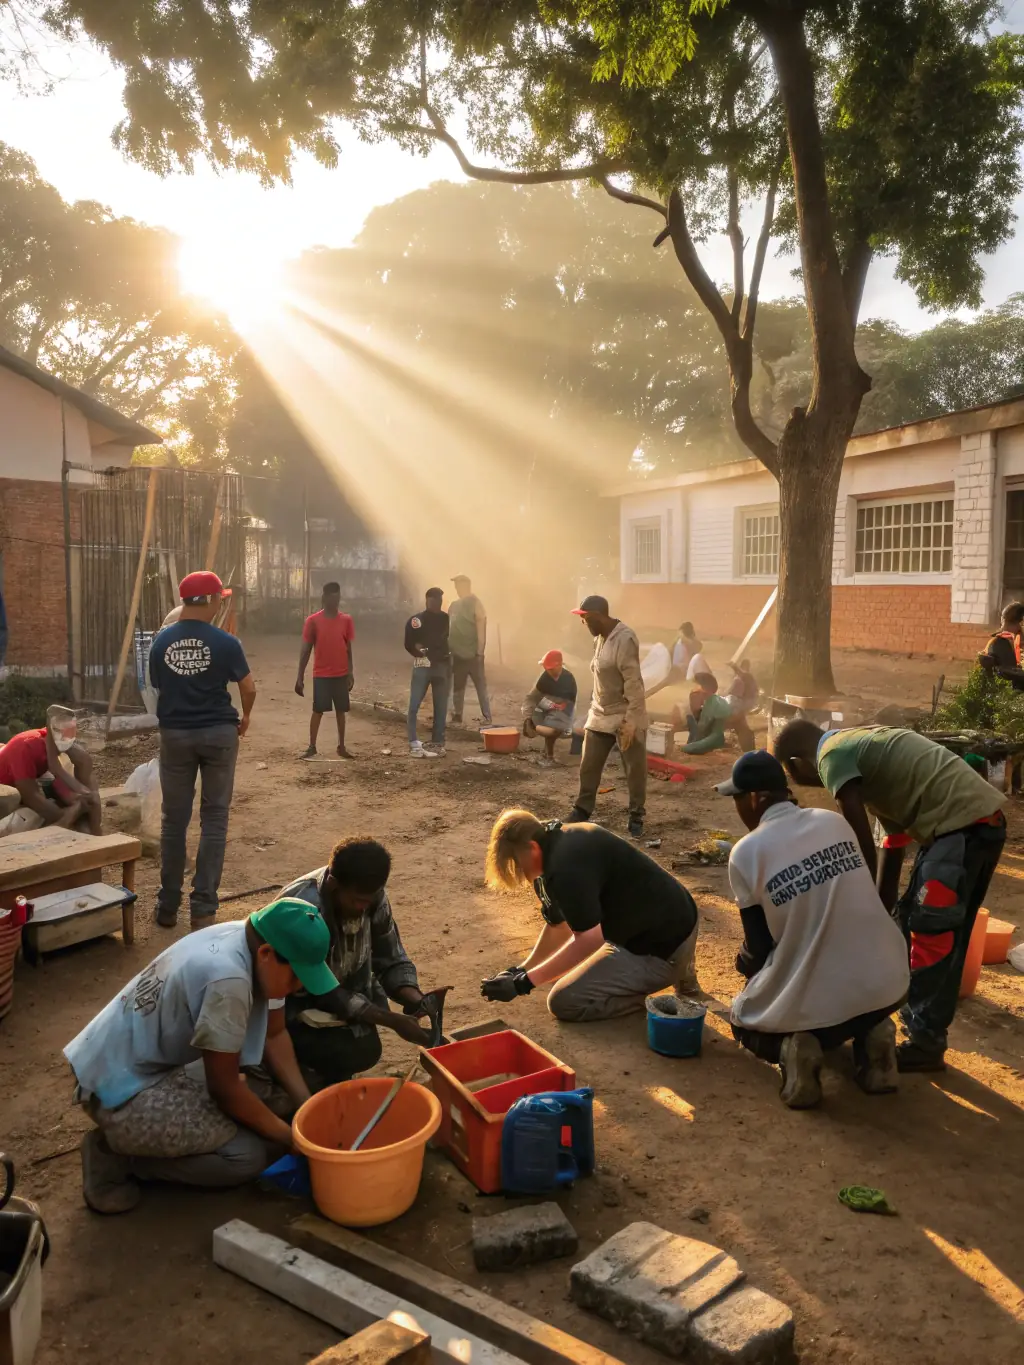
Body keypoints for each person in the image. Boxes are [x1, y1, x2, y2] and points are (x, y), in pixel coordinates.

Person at [64, 897, 338, 1213]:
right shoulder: (229, 980)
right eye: (296, 977)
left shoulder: (253, 940)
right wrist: (295, 1139)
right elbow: (225, 1089)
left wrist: (307, 1110)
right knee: (245, 1157)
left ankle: (153, 1141)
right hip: (120, 1090)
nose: (299, 986)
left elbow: (274, 1036)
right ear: (266, 955)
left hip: (137, 1062)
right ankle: (118, 1158)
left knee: (272, 1103)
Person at [774, 721, 1006, 1073]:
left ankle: (925, 1042)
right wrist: (876, 915)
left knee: (930, 935)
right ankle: (921, 1031)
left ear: (797, 761)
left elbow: (858, 841)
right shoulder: (865, 755)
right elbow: (890, 850)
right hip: (978, 826)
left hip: (958, 830)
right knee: (924, 925)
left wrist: (852, 901)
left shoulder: (832, 755)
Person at [717, 751, 909, 1108]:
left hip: (827, 1009)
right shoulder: (832, 821)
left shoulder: (746, 853)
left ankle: (793, 1048)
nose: (738, 808)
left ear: (756, 799)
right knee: (849, 990)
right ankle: (874, 1037)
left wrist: (745, 969)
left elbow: (758, 948)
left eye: (738, 799)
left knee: (743, 1020)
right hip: (889, 986)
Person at [481, 809, 699, 1019]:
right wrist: (520, 970)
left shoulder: (565, 870)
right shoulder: (558, 837)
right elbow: (560, 925)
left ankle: (658, 1002)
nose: (519, 871)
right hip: (677, 918)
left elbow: (588, 940)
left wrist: (524, 984)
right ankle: (683, 972)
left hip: (660, 950)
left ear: (532, 848)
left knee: (564, 1001)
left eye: (516, 862)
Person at [279, 837, 442, 1084]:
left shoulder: (371, 896)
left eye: (369, 899)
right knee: (356, 1050)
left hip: (348, 987)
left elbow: (390, 956)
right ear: (334, 885)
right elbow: (323, 991)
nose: (364, 907)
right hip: (295, 1006)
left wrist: (416, 999)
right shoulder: (304, 910)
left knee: (361, 1044)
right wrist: (392, 1020)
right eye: (356, 900)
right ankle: (299, 1073)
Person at [149, 570, 256, 931]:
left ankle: (167, 906)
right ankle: (203, 909)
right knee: (214, 818)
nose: (220, 605)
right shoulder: (226, 643)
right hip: (217, 735)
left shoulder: (161, 642)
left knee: (173, 820)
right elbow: (249, 687)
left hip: (176, 735)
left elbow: (157, 684)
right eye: (219, 599)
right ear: (209, 600)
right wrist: (245, 718)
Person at [567, 595, 648, 838]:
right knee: (588, 765)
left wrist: (631, 721)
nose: (585, 625)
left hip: (624, 712)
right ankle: (582, 809)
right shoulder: (599, 639)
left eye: (587, 619)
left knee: (634, 768)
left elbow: (634, 683)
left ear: (600, 617)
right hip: (600, 712)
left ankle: (636, 815)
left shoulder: (625, 639)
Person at [0, 705, 101, 836]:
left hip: (35, 773)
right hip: (7, 783)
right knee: (28, 815)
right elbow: (31, 796)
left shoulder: (52, 743)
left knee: (74, 797)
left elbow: (66, 781)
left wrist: (82, 798)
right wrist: (70, 814)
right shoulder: (26, 748)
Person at [296, 582, 356, 759]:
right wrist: (299, 676)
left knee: (341, 711)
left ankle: (342, 746)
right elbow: (305, 650)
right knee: (318, 710)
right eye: (332, 598)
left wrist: (350, 672)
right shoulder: (313, 621)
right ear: (324, 598)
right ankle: (312, 746)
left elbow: (348, 648)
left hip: (341, 673)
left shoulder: (346, 620)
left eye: (337, 598)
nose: (335, 602)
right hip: (321, 674)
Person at [405, 587, 451, 758]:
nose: (437, 602)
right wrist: (419, 653)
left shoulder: (445, 618)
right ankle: (413, 742)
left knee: (441, 706)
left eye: (439, 599)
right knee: (414, 705)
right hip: (423, 665)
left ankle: (438, 742)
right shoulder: (416, 620)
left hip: (440, 665)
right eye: (434, 599)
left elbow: (443, 639)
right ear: (427, 600)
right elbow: (408, 643)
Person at [448, 575, 493, 727]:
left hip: (473, 654)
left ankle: (487, 716)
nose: (456, 588)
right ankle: (457, 716)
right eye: (455, 585)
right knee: (458, 686)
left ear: (465, 586)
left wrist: (480, 652)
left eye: (458, 585)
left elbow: (481, 628)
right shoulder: (454, 605)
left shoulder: (475, 603)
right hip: (457, 654)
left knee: (480, 685)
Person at [522, 649, 577, 762]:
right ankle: (548, 753)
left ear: (560, 665)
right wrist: (528, 716)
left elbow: (569, 704)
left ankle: (549, 749)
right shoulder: (544, 678)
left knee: (556, 728)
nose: (548, 671)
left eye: (551, 669)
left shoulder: (568, 679)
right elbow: (531, 698)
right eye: (547, 669)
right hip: (547, 707)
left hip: (563, 710)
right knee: (549, 724)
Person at [672, 672, 733, 756]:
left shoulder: (718, 705)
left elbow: (716, 736)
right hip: (697, 745)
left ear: (705, 689)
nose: (693, 689)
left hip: (709, 748)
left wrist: (689, 748)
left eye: (696, 687)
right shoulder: (699, 704)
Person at [979, 600, 1024, 688]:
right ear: (1018, 623)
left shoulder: (1012, 639)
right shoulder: (999, 643)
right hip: (1008, 692)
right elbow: (1008, 673)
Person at [724, 658, 759, 751]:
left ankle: (748, 748)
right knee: (741, 726)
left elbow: (743, 675)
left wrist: (734, 666)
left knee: (740, 724)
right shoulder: (741, 678)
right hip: (740, 703)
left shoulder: (746, 676)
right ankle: (748, 748)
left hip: (742, 703)